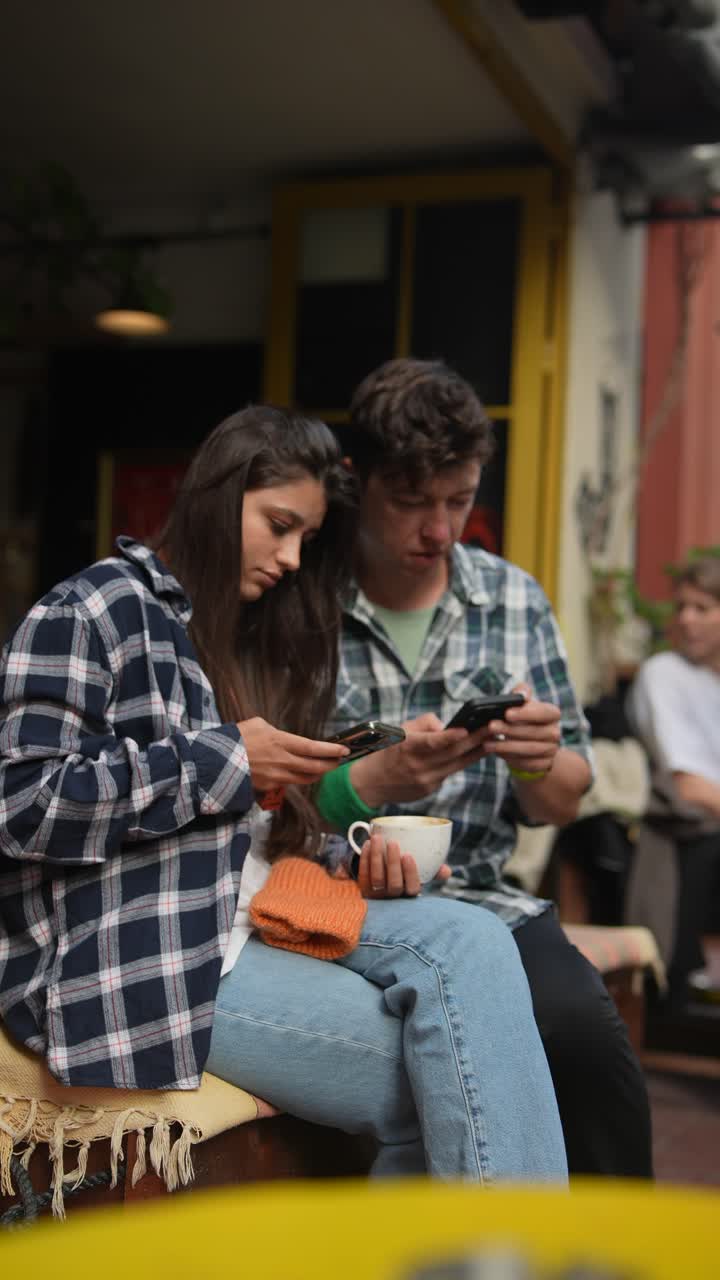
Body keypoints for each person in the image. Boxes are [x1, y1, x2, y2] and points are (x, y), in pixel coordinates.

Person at [0, 405, 567, 1184]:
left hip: (255, 911)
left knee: (478, 938)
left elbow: (245, 832)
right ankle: (509, 1247)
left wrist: (346, 857)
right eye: (279, 525)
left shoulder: (241, 631)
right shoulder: (93, 610)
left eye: (307, 536)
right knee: (449, 1077)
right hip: (148, 949)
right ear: (216, 494)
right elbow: (22, 804)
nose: (293, 557)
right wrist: (228, 759)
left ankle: (502, 1244)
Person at [315, 357, 653, 1178]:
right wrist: (380, 780)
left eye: (459, 501)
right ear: (358, 482)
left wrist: (539, 762)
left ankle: (609, 1244)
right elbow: (267, 792)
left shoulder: (512, 599)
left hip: (478, 896)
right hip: (328, 903)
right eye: (412, 502)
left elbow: (564, 801)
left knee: (586, 1036)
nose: (440, 529)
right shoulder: (303, 599)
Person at [626, 556, 720, 1006]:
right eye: (682, 607)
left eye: (703, 608)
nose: (686, 619)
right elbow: (686, 787)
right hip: (686, 826)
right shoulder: (664, 673)